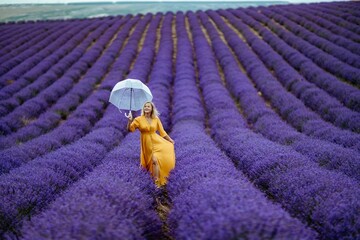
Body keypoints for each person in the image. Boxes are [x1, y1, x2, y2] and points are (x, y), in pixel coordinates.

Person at [125, 101, 175, 187]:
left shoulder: (156, 119)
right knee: (152, 161)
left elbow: (162, 132)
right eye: (145, 106)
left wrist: (170, 140)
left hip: (157, 141)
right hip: (146, 142)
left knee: (155, 160)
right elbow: (130, 129)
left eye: (148, 106)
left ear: (152, 109)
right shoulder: (138, 119)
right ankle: (154, 181)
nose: (146, 108)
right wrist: (130, 120)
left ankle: (156, 182)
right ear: (143, 109)